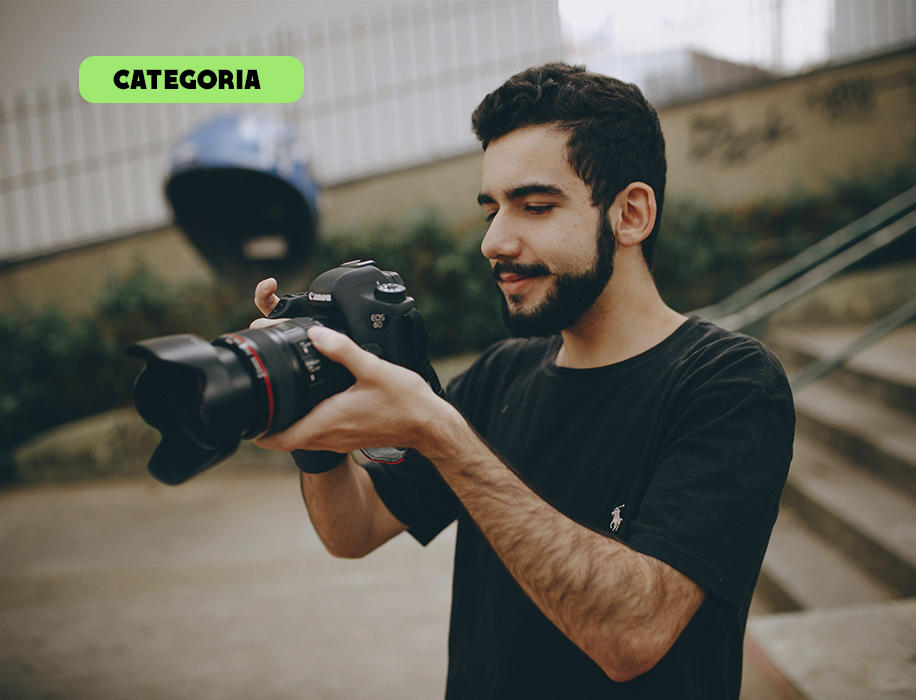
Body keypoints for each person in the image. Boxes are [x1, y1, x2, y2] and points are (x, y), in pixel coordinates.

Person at [251, 63, 794, 698]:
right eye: (492, 210)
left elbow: (634, 633)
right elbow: (355, 529)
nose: (494, 241)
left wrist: (442, 434)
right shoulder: (500, 375)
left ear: (630, 214)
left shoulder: (729, 384)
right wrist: (311, 413)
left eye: (535, 207)